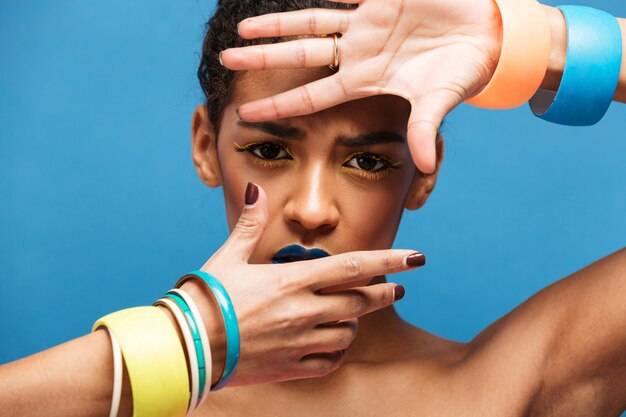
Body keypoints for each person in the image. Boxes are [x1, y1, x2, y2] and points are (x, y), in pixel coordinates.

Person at [1, 0, 625, 416]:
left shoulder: (505, 387)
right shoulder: (96, 396)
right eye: (271, 150)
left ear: (423, 170)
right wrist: (193, 345)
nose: (312, 209)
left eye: (368, 161)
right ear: (205, 146)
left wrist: (524, 41)